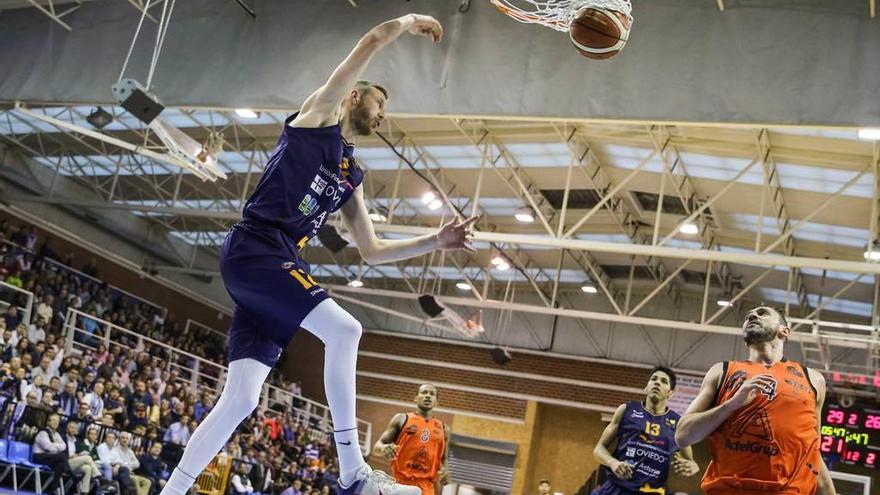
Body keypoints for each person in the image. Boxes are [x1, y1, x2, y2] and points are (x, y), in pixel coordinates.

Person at [159, 12, 473, 495]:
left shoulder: (351, 172)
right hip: (256, 248)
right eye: (379, 101)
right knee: (346, 330)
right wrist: (409, 21)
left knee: (241, 397)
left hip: (275, 267)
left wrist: (438, 241)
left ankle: (171, 491)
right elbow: (371, 39)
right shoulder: (318, 117)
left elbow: (371, 250)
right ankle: (353, 473)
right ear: (354, 97)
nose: (384, 112)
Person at [675, 306, 836, 494]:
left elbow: (813, 452)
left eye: (762, 313)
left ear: (784, 331)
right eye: (748, 315)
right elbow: (682, 435)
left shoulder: (814, 380)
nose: (752, 315)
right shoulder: (723, 371)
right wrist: (731, 404)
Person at [592, 366, 700, 494]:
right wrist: (613, 463)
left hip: (650, 491)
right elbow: (599, 449)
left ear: (670, 393)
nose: (657, 382)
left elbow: (690, 461)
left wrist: (694, 466)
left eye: (663, 381)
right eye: (654, 379)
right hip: (617, 488)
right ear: (646, 387)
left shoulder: (678, 424)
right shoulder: (626, 410)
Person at [373, 384, 449, 495]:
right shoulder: (401, 419)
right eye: (424, 392)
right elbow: (376, 447)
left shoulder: (444, 428)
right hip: (399, 484)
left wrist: (445, 471)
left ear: (436, 402)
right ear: (416, 397)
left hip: (426, 488)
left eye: (432, 394)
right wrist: (384, 448)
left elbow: (444, 459)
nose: (428, 396)